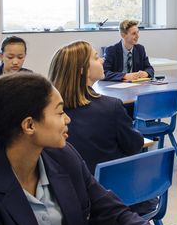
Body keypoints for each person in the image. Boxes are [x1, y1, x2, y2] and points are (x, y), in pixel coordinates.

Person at [0, 73, 177, 225]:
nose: (68, 119)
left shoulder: (63, 155)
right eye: (60, 112)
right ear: (29, 125)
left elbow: (106, 210)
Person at [49, 41, 144, 175]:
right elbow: (135, 145)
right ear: (83, 70)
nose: (102, 60)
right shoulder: (111, 107)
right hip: (108, 188)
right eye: (96, 57)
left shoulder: (48, 113)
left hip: (67, 189)